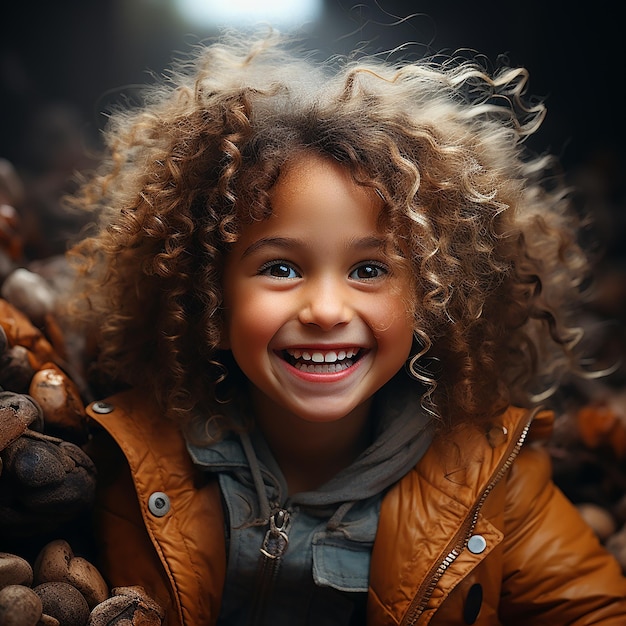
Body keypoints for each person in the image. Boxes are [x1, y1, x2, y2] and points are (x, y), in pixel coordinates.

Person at [65, 29, 626, 625]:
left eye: (369, 269)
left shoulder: (488, 480)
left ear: (433, 298)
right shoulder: (126, 460)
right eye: (280, 268)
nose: (327, 310)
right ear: (207, 298)